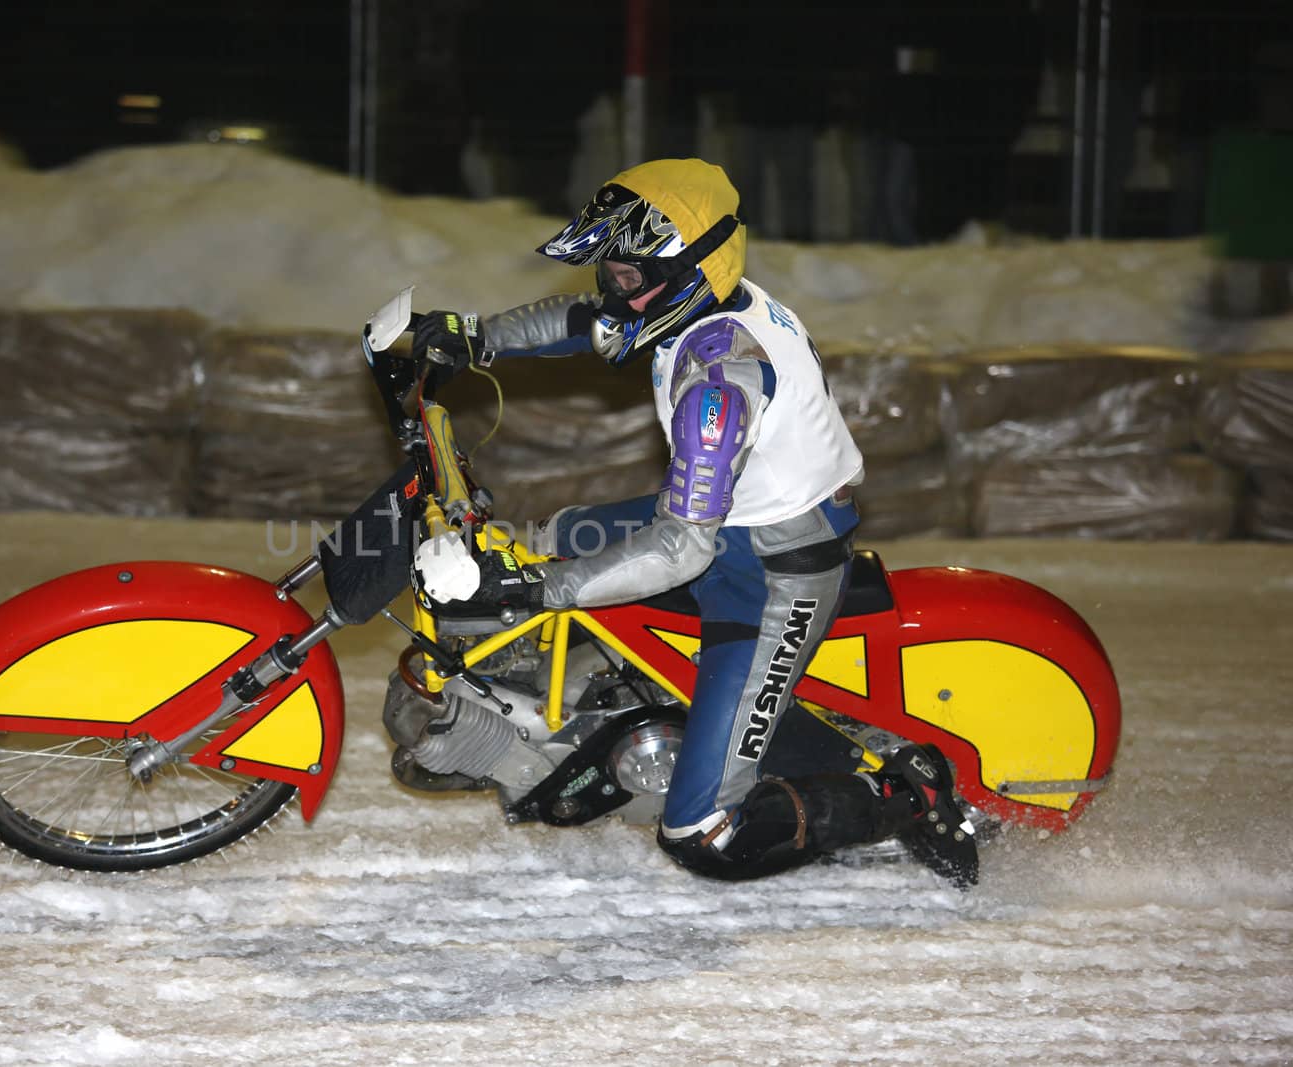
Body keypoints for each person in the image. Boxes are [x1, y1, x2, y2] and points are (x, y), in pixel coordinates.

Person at [410, 158, 977, 887]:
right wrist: (474, 337)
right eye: (609, 268)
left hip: (771, 573)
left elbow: (681, 548)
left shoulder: (719, 380)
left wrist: (542, 589)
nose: (612, 287)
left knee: (704, 834)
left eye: (627, 272)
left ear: (687, 270)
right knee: (542, 539)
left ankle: (909, 791)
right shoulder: (693, 306)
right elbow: (582, 322)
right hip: (730, 520)